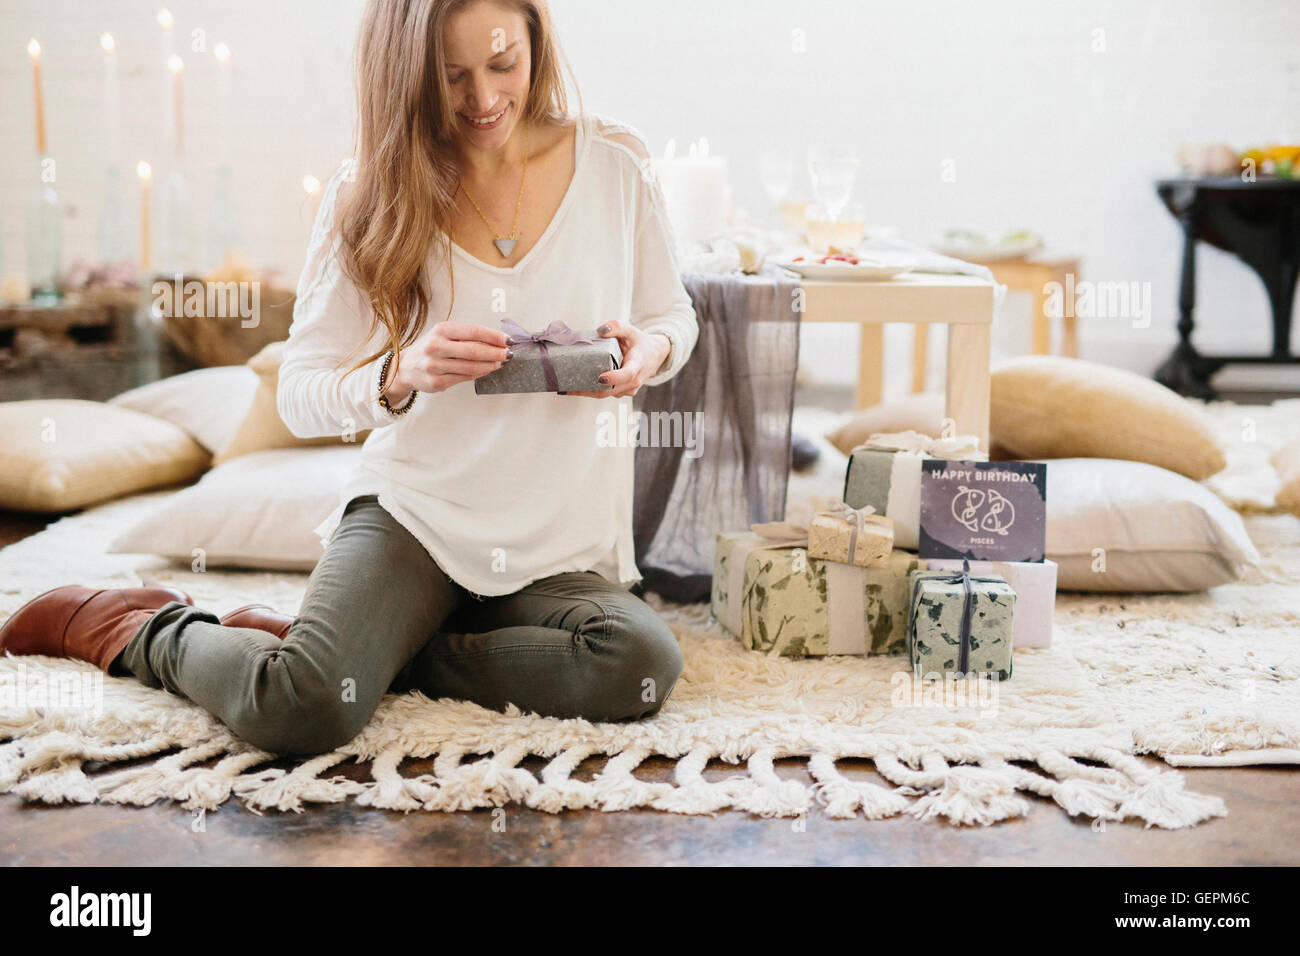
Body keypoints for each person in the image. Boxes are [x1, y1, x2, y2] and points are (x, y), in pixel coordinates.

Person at [0, 0, 698, 756]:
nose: (484, 100)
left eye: (504, 66)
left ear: (537, 42)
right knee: (301, 709)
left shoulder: (615, 164)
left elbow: (672, 316)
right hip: (417, 516)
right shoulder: (370, 189)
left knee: (638, 665)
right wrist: (400, 374)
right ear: (406, 75)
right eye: (451, 77)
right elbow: (300, 388)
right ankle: (144, 628)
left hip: (559, 543)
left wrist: (649, 351)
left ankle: (372, 655)